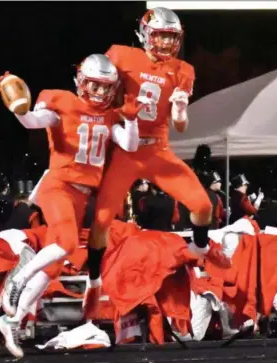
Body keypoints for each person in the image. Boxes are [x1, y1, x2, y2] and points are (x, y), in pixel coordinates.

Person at [0, 54, 150, 358]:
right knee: (66, 243)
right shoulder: (62, 102)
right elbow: (33, 120)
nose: (100, 92)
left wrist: (131, 119)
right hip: (58, 184)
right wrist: (18, 107)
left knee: (54, 265)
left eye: (106, 87)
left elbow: (130, 145)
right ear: (81, 81)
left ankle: (12, 319)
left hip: (81, 195)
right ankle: (20, 279)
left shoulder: (109, 116)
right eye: (94, 84)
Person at [84, 7, 212, 318]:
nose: (167, 44)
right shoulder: (120, 55)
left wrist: (180, 110)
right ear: (144, 34)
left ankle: (198, 251)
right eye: (161, 36)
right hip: (125, 152)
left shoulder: (183, 70)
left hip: (158, 150)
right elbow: (97, 91)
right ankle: (94, 279)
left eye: (171, 37)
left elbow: (180, 125)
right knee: (101, 222)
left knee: (203, 207)